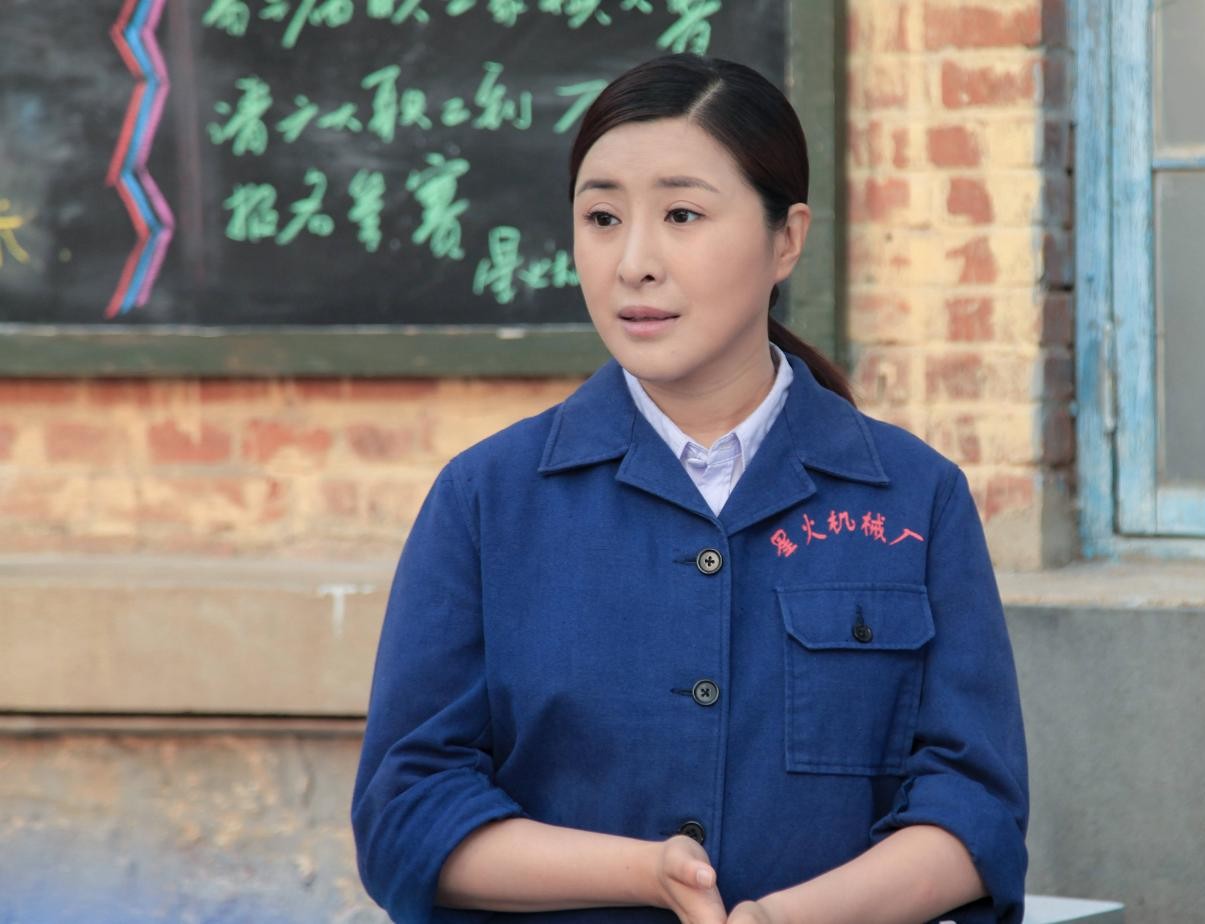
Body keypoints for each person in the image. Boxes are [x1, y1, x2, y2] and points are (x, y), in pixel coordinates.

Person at [351, 53, 1028, 924]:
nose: (634, 262)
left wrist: (784, 920)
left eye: (681, 214)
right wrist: (645, 874)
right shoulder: (486, 501)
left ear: (786, 239)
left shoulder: (915, 498)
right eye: (602, 218)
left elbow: (974, 811)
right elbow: (407, 815)